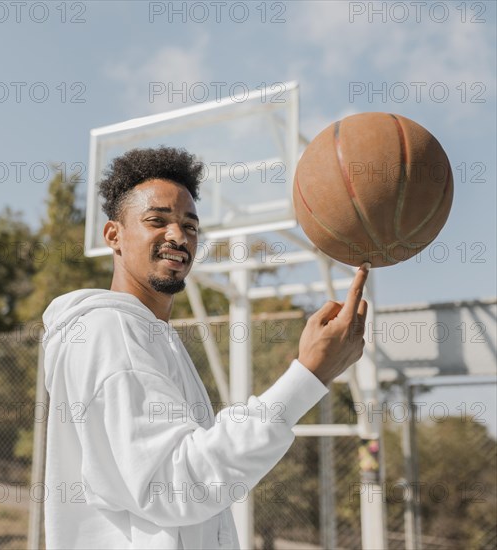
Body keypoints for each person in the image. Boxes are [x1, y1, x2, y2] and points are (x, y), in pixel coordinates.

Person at [41, 146, 369, 549]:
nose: (178, 236)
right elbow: (178, 484)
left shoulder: (152, 336)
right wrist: (307, 376)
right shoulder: (109, 330)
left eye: (190, 226)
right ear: (114, 235)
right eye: (156, 221)